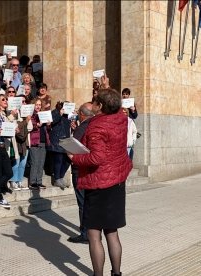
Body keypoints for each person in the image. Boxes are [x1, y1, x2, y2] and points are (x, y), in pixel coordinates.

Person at [69, 88, 132, 276]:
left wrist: (74, 157)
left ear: (101, 106)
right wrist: (106, 86)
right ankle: (117, 273)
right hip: (117, 182)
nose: (93, 104)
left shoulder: (97, 126)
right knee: (112, 233)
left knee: (94, 235)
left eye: (95, 102)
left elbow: (96, 158)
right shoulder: (121, 119)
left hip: (99, 184)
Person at [67, 102, 94, 244]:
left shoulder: (83, 127)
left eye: (78, 112)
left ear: (82, 114)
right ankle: (93, 233)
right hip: (91, 169)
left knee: (83, 202)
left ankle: (85, 233)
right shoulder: (94, 125)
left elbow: (74, 147)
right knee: (89, 202)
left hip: (80, 169)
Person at [29, 98, 51, 189]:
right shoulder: (31, 115)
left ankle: (39, 181)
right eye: (36, 104)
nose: (38, 106)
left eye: (39, 105)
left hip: (43, 141)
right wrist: (36, 125)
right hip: (35, 141)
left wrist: (49, 124)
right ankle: (33, 182)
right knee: (35, 162)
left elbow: (48, 130)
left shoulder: (43, 114)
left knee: (41, 162)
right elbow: (30, 126)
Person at [49, 101, 71, 189]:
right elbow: (52, 121)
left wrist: (73, 117)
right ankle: (57, 179)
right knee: (58, 159)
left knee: (68, 160)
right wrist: (60, 114)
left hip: (66, 140)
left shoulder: (67, 115)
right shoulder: (54, 112)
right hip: (57, 140)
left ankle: (61, 177)